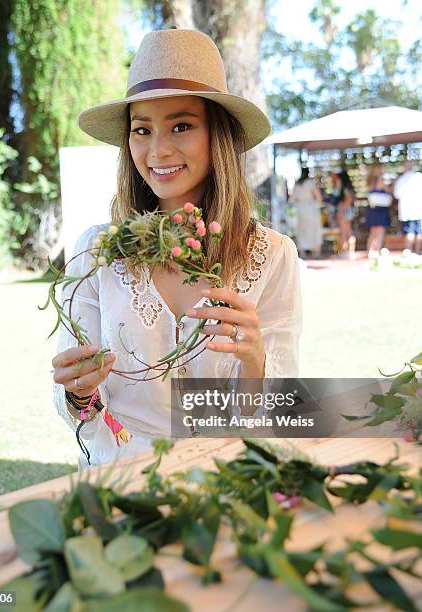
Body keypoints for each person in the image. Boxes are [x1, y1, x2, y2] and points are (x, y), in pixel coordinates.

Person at [51, 29, 302, 468]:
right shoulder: (98, 250)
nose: (158, 149)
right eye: (141, 130)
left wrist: (254, 360)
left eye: (181, 126)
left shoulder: (272, 254)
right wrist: (79, 391)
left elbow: (274, 415)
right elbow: (84, 414)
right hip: (121, 478)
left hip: (226, 474)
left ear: (217, 136)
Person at [289, 167, 323, 257]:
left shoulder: (297, 184)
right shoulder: (310, 183)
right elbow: (319, 197)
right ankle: (316, 251)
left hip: (300, 209)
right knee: (313, 229)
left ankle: (302, 251)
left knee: (302, 229)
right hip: (310, 209)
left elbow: (292, 199)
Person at [394, 161, 422, 253]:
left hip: (407, 210)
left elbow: (396, 195)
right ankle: (417, 252)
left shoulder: (401, 180)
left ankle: (409, 252)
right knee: (419, 232)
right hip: (418, 209)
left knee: (409, 232)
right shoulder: (419, 177)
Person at [365, 165, 392, 255]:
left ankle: (370, 251)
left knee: (373, 232)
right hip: (380, 210)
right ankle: (376, 252)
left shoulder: (370, 181)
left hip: (373, 210)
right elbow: (388, 190)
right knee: (380, 232)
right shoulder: (380, 180)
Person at [330, 170, 356, 258]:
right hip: (348, 211)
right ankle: (350, 252)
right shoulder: (347, 187)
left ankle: (345, 252)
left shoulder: (344, 187)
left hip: (344, 211)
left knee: (344, 232)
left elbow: (348, 200)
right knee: (348, 231)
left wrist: (341, 211)